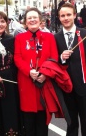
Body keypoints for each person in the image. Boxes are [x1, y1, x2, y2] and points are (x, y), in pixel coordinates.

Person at [14, 7, 69, 136]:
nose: (32, 20)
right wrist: (29, 71)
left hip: (44, 84)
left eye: (35, 17)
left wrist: (45, 74)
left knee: (42, 125)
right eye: (29, 18)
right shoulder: (20, 38)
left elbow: (54, 58)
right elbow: (17, 57)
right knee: (28, 126)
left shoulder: (49, 37)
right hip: (26, 83)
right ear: (25, 22)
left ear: (40, 20)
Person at [54, 3, 86, 136]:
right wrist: (61, 57)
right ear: (59, 18)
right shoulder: (55, 38)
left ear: (75, 15)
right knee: (71, 124)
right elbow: (53, 62)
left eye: (68, 15)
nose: (66, 18)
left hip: (85, 86)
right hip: (66, 87)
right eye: (62, 15)